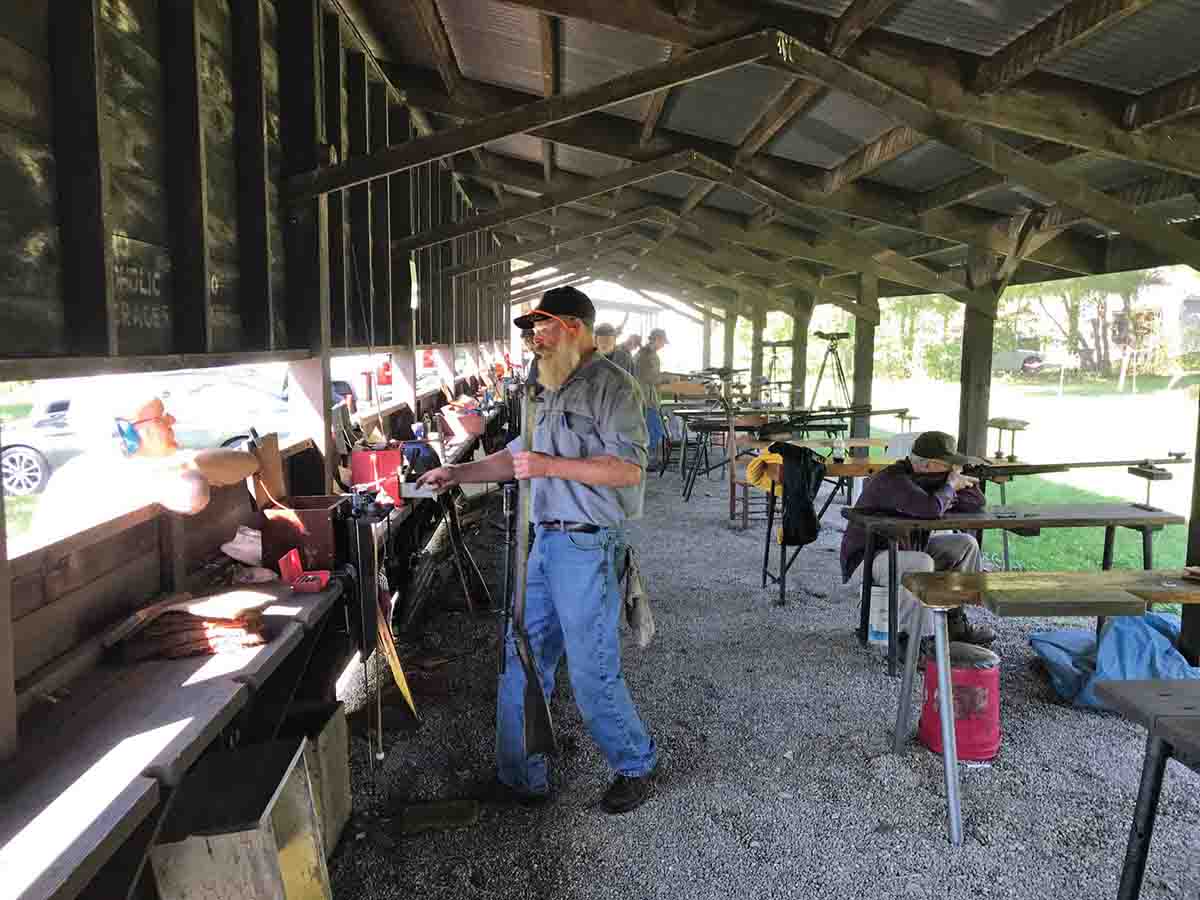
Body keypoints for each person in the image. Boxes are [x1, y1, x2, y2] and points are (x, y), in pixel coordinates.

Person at [418, 285, 657, 814]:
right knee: (521, 656)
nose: (532, 339)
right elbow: (518, 454)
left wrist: (550, 467)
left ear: (573, 327)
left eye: (542, 327)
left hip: (588, 545)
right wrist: (457, 472)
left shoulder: (614, 388)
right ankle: (521, 776)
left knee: (592, 666)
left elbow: (628, 469)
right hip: (544, 540)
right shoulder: (539, 383)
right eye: (530, 330)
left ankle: (636, 763)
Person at [839, 430, 997, 649]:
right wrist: (949, 486)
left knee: (965, 545)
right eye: (948, 464)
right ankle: (914, 643)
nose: (952, 469)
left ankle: (953, 624)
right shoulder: (891, 479)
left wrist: (958, 481)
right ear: (928, 465)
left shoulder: (930, 481)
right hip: (868, 558)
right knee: (921, 563)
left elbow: (975, 502)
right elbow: (930, 508)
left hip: (905, 549)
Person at [34, 396, 212, 545]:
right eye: (160, 418)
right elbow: (193, 497)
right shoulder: (99, 472)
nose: (171, 420)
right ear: (131, 432)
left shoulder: (130, 462)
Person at [634, 327, 672, 469]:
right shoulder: (648, 355)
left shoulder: (643, 353)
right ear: (657, 339)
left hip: (643, 398)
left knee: (650, 430)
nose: (662, 346)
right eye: (662, 342)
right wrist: (668, 379)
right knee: (653, 430)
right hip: (646, 399)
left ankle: (646, 460)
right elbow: (650, 377)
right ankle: (647, 462)